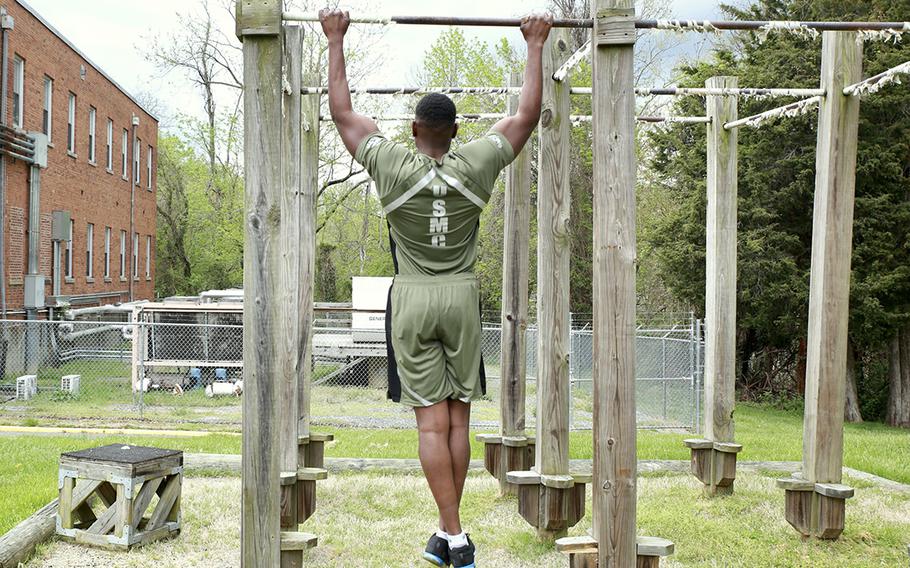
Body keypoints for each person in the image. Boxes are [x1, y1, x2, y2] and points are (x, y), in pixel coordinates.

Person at [319, 9, 552, 567]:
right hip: (462, 298)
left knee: (431, 421)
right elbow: (527, 112)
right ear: (454, 131)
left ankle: (451, 532)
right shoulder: (477, 162)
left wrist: (335, 38)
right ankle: (452, 535)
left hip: (414, 297)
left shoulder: (392, 164)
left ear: (417, 130)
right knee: (460, 419)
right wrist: (535, 43)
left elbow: (342, 110)